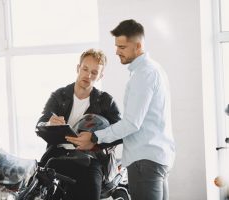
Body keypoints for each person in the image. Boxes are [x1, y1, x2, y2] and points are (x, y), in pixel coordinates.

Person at [66, 19, 176, 200]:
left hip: (144, 159)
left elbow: (131, 123)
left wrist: (94, 137)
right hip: (157, 158)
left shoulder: (143, 74)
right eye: (116, 46)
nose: (117, 52)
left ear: (138, 46)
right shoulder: (155, 70)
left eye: (122, 47)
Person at [36, 48, 121, 200]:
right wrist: (48, 123)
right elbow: (39, 124)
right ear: (78, 68)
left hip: (90, 159)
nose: (88, 75)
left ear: (100, 76)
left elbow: (121, 132)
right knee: (37, 191)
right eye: (85, 69)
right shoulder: (59, 96)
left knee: (89, 189)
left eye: (94, 72)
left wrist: (95, 139)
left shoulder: (106, 101)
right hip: (57, 156)